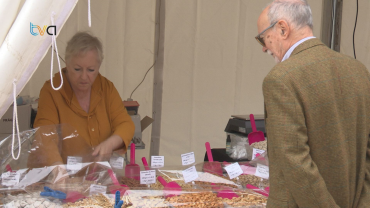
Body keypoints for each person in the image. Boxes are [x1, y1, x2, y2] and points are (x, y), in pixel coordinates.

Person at [257, 0, 370, 207]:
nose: (264, 48)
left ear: (282, 29)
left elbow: (295, 161)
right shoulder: (358, 71)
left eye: (263, 38)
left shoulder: (281, 78)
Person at [30, 32, 135, 167]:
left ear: (99, 66)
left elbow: (125, 124)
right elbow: (44, 134)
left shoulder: (106, 88)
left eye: (91, 70)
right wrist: (57, 168)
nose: (84, 77)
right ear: (67, 63)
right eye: (77, 69)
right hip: (60, 176)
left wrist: (110, 144)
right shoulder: (52, 90)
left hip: (97, 178)